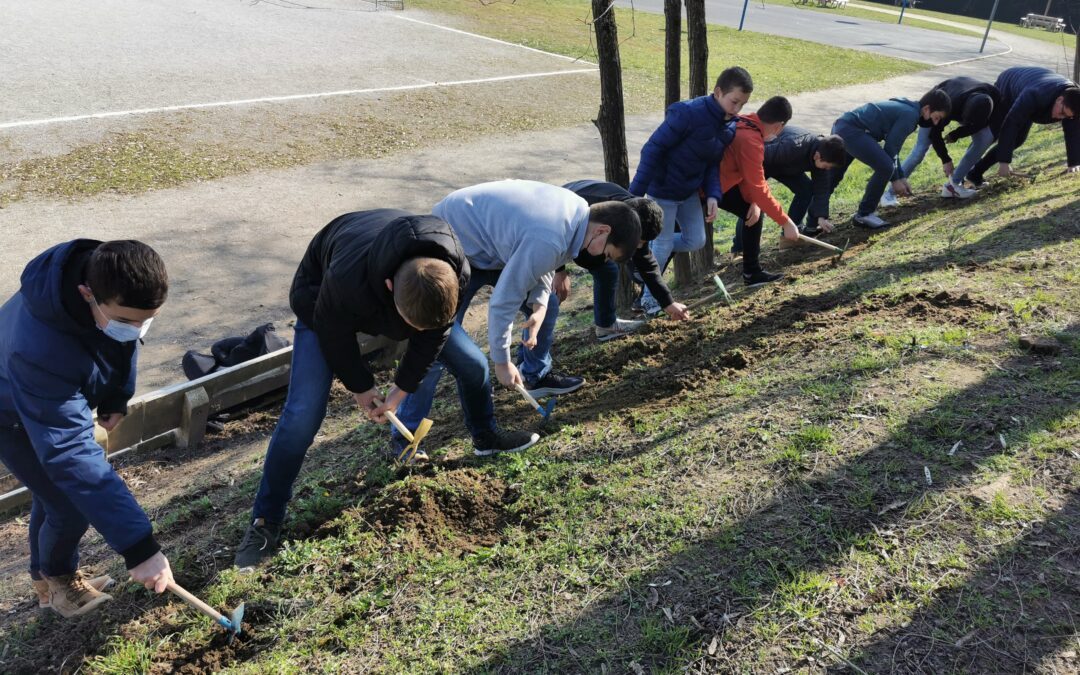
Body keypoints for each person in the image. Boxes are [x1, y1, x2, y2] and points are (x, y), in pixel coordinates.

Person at [235, 209, 536, 570]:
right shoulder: (346, 282)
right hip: (321, 298)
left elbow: (435, 333)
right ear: (391, 288)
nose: (410, 333)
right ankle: (265, 522)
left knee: (473, 365)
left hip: (400, 291)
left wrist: (400, 391)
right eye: (409, 325)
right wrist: (362, 387)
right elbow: (333, 332)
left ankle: (486, 437)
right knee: (303, 414)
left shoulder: (453, 269)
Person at [0, 240, 174, 617]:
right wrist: (140, 548)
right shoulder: (38, 347)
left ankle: (44, 582)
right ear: (86, 294)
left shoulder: (110, 283)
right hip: (8, 414)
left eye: (145, 319)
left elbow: (121, 346)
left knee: (54, 496)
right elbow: (69, 452)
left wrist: (115, 396)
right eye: (127, 321)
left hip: (42, 395)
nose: (136, 329)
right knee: (66, 500)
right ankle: (60, 583)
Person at [394, 179, 641, 440]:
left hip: (493, 247)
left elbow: (545, 259)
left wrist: (539, 305)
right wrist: (502, 362)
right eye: (608, 254)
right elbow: (502, 302)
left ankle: (536, 375)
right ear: (603, 231)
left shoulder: (579, 216)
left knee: (549, 306)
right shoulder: (554, 232)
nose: (602, 260)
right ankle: (406, 436)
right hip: (454, 242)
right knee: (437, 338)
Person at [628, 66, 750, 314]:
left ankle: (644, 254)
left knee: (696, 240)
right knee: (662, 245)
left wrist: (714, 195)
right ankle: (650, 300)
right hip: (663, 190)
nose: (737, 109)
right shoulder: (688, 113)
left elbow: (712, 163)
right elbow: (652, 149)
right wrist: (632, 197)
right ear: (718, 92)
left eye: (742, 104)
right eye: (734, 101)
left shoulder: (729, 126)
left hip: (689, 193)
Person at [559, 180, 690, 341]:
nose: (636, 249)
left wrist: (668, 303)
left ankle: (606, 326)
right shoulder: (594, 207)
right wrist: (560, 270)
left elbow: (647, 264)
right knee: (547, 294)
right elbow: (557, 230)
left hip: (584, 236)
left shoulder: (638, 219)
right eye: (637, 243)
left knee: (607, 269)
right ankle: (532, 355)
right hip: (556, 224)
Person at [710, 96, 801, 286]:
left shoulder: (745, 121)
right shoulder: (751, 140)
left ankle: (752, 272)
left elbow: (747, 177)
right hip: (707, 187)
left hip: (720, 182)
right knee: (674, 235)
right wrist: (786, 222)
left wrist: (753, 201)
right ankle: (645, 280)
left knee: (753, 213)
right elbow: (759, 186)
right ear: (779, 126)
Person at [830, 88, 952, 229]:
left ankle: (813, 222)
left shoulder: (909, 108)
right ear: (927, 109)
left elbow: (894, 150)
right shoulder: (910, 116)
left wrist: (901, 177)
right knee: (885, 168)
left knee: (833, 176)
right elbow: (890, 148)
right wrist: (895, 180)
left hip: (843, 126)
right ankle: (864, 214)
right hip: (852, 131)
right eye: (936, 117)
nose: (935, 123)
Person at [730, 125, 846, 257]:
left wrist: (821, 217)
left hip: (787, 166)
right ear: (817, 156)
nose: (826, 170)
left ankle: (789, 237)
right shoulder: (793, 147)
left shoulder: (822, 152)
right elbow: (757, 159)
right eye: (826, 166)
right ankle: (739, 248)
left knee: (806, 189)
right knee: (752, 204)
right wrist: (755, 194)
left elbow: (822, 188)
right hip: (763, 162)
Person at [881, 76, 1000, 203]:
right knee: (919, 151)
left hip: (969, 102)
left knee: (985, 138)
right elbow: (935, 134)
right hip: (937, 105)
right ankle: (889, 193)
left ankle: (953, 185)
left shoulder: (993, 97)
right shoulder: (947, 105)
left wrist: (956, 134)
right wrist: (946, 159)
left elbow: (980, 125)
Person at [967, 67, 1080, 185]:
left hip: (1033, 85)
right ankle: (969, 170)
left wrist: (1074, 163)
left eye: (1066, 116)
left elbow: (1073, 132)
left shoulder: (1074, 101)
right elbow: (1011, 124)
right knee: (993, 134)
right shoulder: (1035, 94)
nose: (1061, 118)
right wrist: (1004, 162)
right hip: (1008, 86)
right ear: (1059, 100)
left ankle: (974, 172)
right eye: (1061, 113)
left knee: (1018, 140)